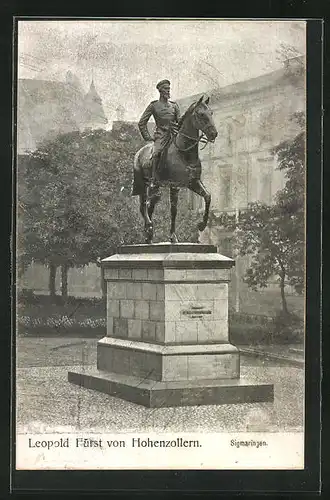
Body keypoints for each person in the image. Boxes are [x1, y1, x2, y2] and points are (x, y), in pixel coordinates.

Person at [138, 80, 181, 186]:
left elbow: (179, 122)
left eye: (169, 89)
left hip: (174, 136)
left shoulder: (174, 106)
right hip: (161, 136)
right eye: (166, 89)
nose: (168, 91)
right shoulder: (154, 106)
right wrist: (148, 137)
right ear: (161, 91)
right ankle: (154, 179)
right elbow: (141, 123)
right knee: (156, 153)